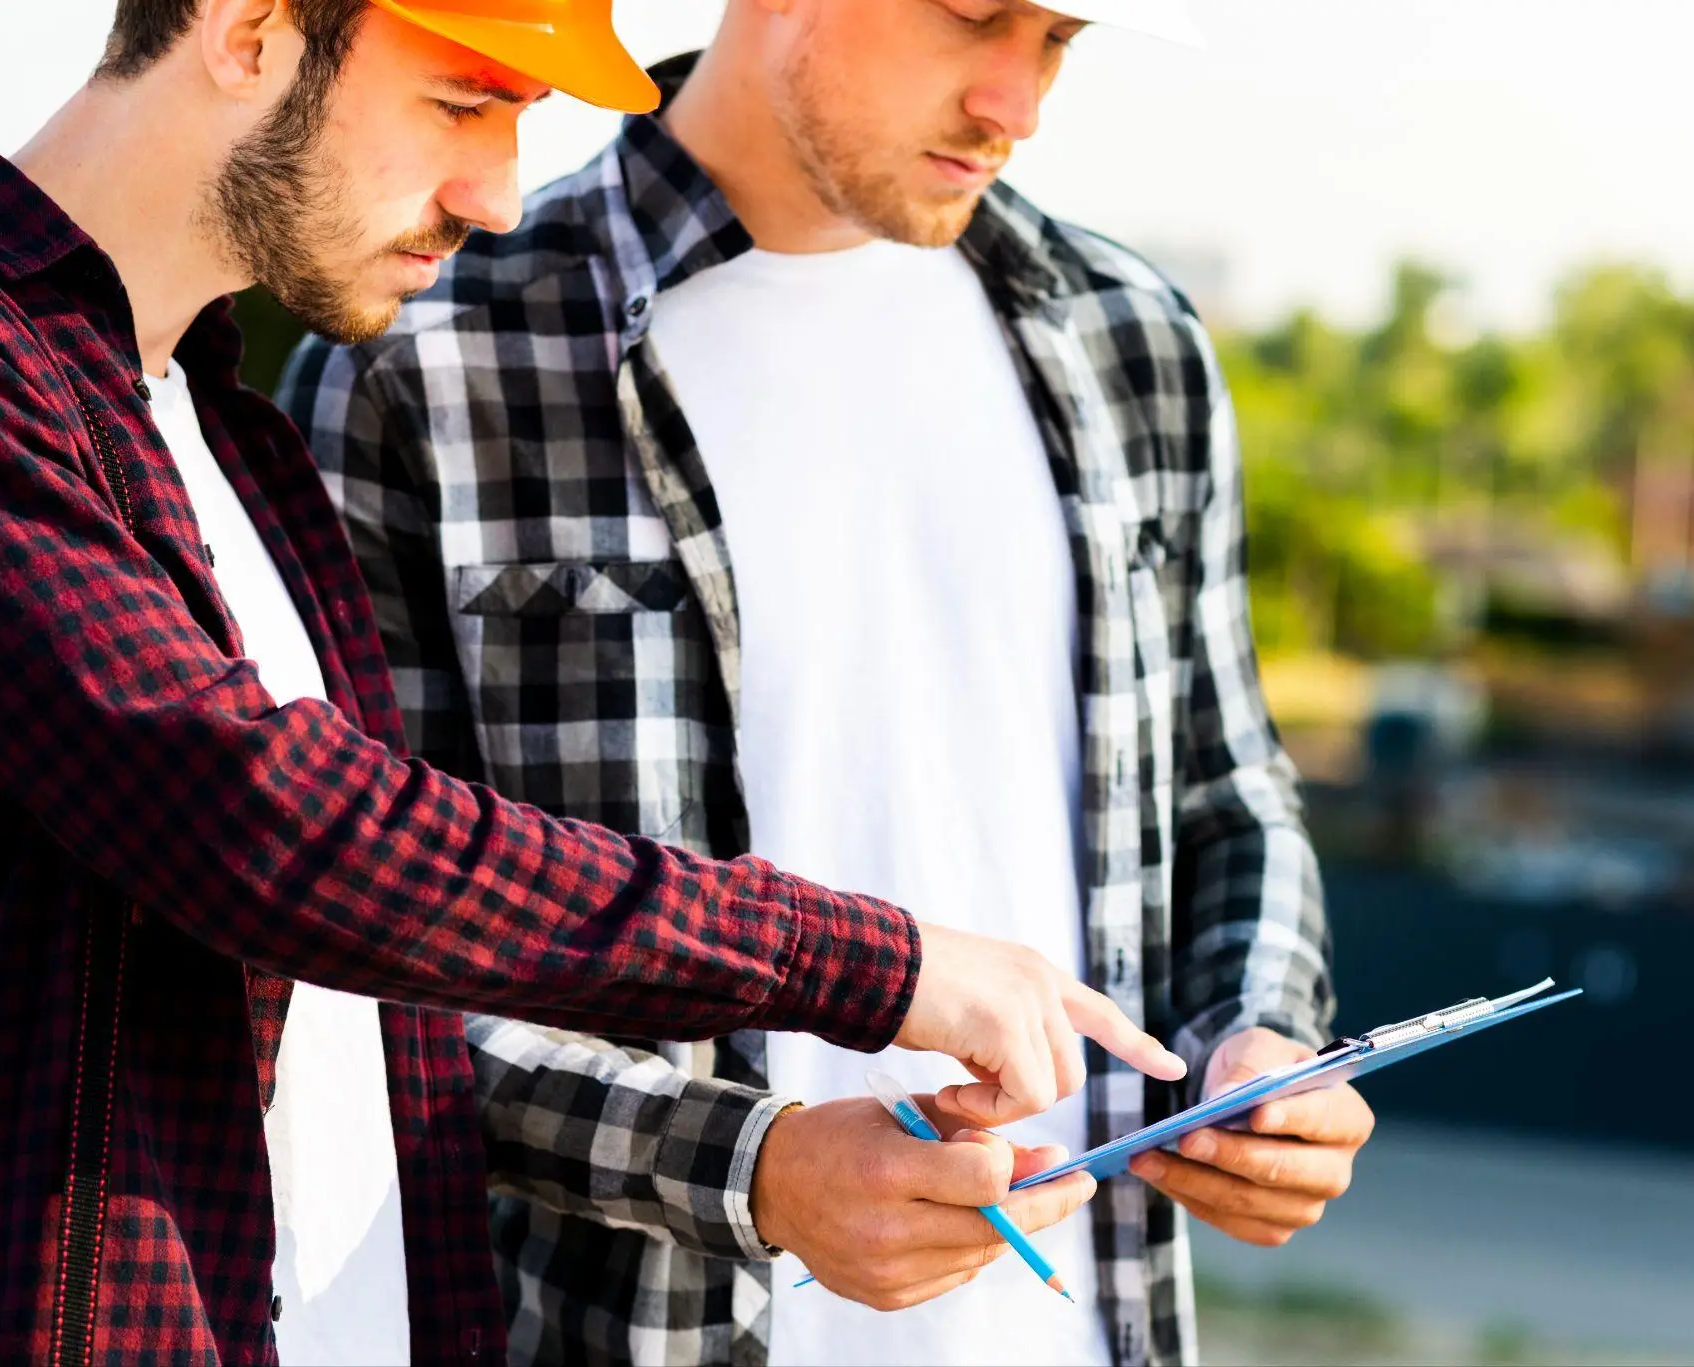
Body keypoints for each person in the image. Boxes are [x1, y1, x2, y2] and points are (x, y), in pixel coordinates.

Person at [0, 2, 1188, 1363]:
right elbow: (288, 831)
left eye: (519, 123)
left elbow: (412, 965)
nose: (500, 196)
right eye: (462, 104)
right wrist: (870, 962)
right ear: (247, 28)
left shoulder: (229, 438)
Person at [280, 1, 1377, 1363]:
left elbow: (1227, 787)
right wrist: (760, 1170)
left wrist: (1263, 1038)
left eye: (1058, 42)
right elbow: (353, 961)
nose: (1014, 102)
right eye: (974, 18)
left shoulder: (1131, 339)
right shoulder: (429, 357)